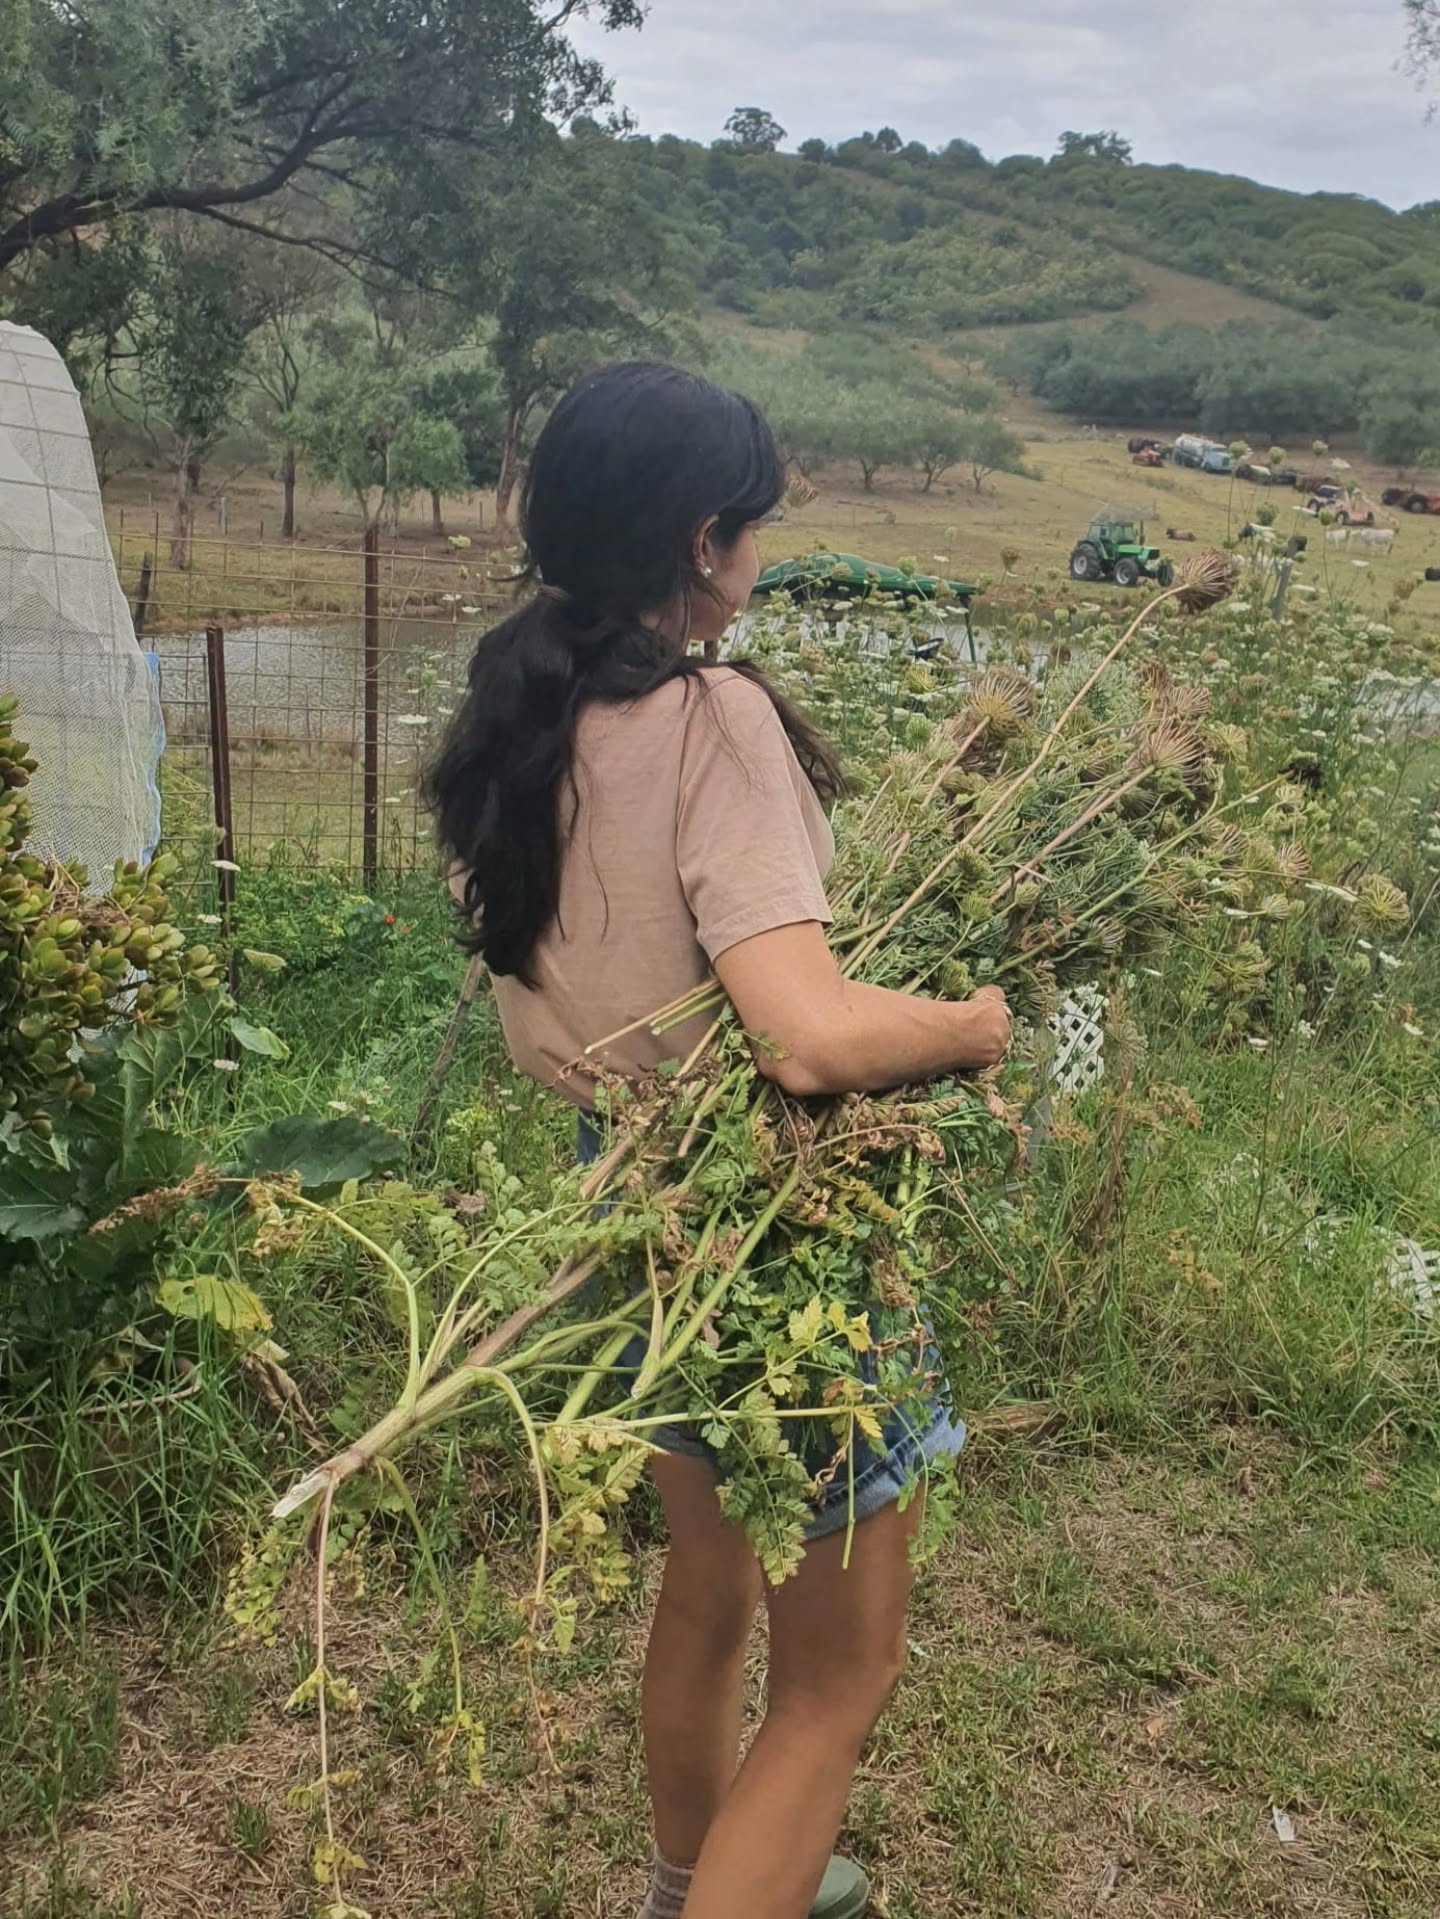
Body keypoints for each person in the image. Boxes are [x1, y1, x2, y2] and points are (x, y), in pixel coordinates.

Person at [426, 362, 1011, 1919]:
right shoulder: (710, 719)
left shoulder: (522, 717)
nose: (755, 557)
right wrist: (963, 1027)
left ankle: (702, 1880)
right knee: (842, 1673)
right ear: (702, 542)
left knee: (709, 1586)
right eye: (748, 528)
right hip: (763, 1234)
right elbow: (804, 1032)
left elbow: (575, 1015)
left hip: (624, 1217)